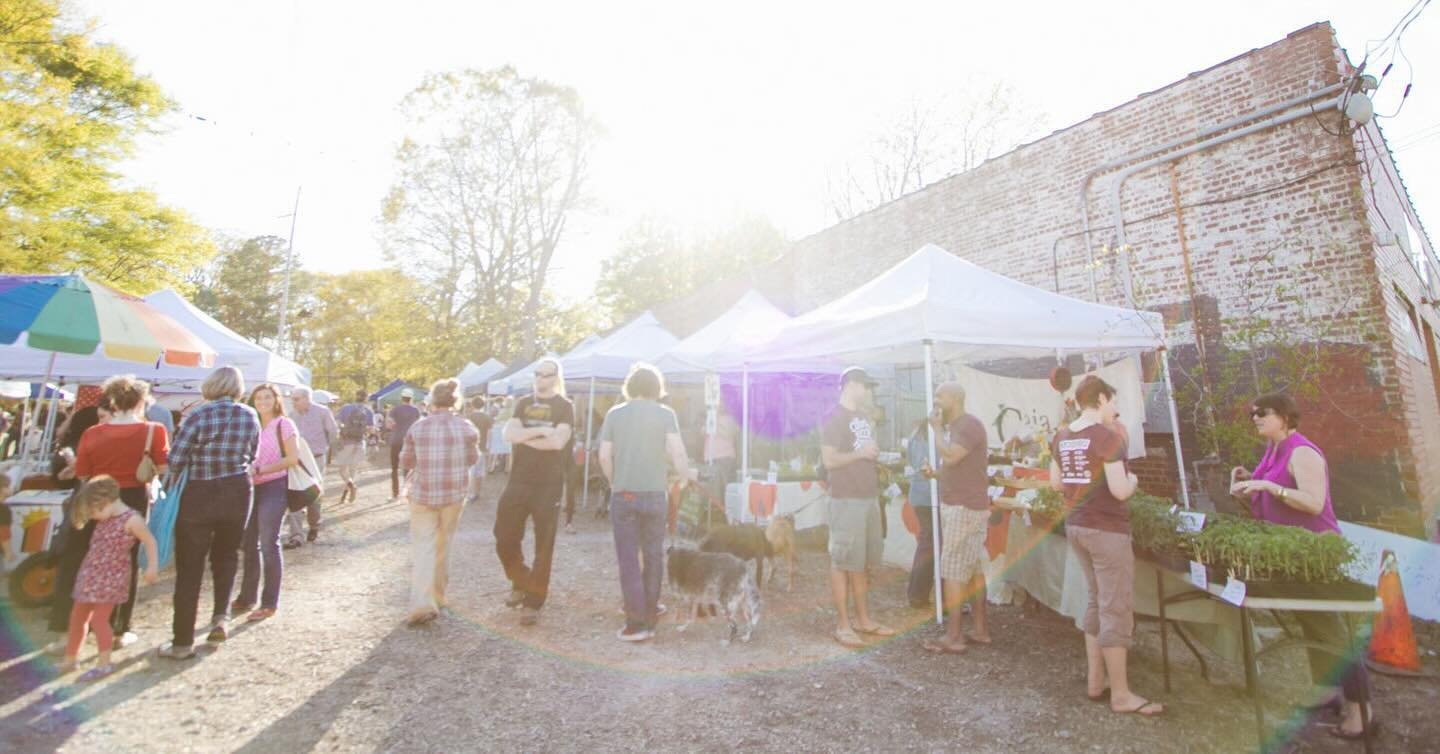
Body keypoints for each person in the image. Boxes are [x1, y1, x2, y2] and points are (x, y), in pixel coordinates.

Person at [1231, 393, 1374, 739]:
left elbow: (1313, 503)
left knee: (1331, 630)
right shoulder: (1273, 450)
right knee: (1311, 623)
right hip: (1290, 555)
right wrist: (1249, 483)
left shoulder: (1303, 451)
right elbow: (1276, 493)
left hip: (1315, 555)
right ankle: (1326, 688)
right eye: (1252, 414)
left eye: (1261, 413)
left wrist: (1267, 485)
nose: (1255, 418)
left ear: (1283, 416)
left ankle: (1361, 710)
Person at [1048, 376, 1162, 716]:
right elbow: (1120, 491)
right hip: (1107, 529)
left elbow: (1055, 482)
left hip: (1077, 525)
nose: (1115, 409)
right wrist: (1135, 479)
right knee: (1116, 607)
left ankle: (1096, 681)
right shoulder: (1107, 438)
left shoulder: (1063, 436)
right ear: (1099, 399)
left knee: (1097, 600)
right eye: (1112, 401)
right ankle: (1122, 695)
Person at [161, 365, 261, 658]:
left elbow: (176, 458)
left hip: (199, 493)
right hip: (237, 492)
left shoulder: (197, 415)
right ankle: (220, 617)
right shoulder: (249, 415)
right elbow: (253, 454)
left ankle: (181, 642)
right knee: (226, 557)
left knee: (190, 567)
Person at [71, 376, 169, 647]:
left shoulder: (92, 433)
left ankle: (89, 620)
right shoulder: (154, 430)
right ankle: (118, 628)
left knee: (95, 557)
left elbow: (82, 472)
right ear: (141, 401)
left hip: (98, 496)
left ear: (112, 401)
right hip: (134, 497)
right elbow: (162, 468)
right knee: (126, 561)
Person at [598, 363, 691, 642]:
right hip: (655, 494)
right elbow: (678, 452)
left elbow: (604, 456)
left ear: (630, 387)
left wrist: (615, 482)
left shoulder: (615, 414)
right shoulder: (666, 414)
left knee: (628, 557)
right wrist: (683, 479)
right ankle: (650, 610)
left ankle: (637, 622)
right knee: (653, 555)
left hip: (624, 494)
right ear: (656, 388)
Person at [495, 358, 574, 626]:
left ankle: (533, 602)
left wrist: (525, 436)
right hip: (518, 480)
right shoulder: (523, 402)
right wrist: (541, 430)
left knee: (544, 544)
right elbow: (508, 434)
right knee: (504, 535)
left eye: (547, 375)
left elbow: (558, 442)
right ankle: (521, 580)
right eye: (537, 374)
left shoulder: (565, 407)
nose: (540, 379)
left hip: (549, 483)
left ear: (556, 377)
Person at [820, 367, 895, 648]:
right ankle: (843, 625)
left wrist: (872, 454)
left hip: (867, 496)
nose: (868, 392)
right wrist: (861, 454)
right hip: (845, 498)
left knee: (861, 562)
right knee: (842, 561)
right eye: (865, 386)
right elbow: (828, 460)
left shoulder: (862, 417)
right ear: (851, 385)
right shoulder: (833, 417)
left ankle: (864, 620)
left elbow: (862, 452)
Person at [59, 476, 159, 681]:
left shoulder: (132, 520)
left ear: (105, 502)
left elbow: (150, 542)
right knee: (78, 615)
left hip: (112, 576)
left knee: (99, 620)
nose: (93, 517)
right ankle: (71, 658)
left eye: (94, 512)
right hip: (91, 572)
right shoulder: (106, 517)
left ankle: (104, 664)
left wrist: (152, 567)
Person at [400, 379, 479, 626]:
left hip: (423, 495)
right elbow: (472, 459)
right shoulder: (467, 428)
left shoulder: (418, 427)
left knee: (424, 547)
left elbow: (406, 461)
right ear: (455, 401)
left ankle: (422, 603)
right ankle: (439, 596)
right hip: (453, 496)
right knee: (444, 545)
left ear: (432, 400)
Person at [922, 383, 993, 654]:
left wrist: (937, 429)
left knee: (952, 569)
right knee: (972, 570)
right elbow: (958, 465)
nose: (936, 401)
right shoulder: (961, 427)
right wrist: (936, 474)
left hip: (963, 508)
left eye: (940, 396)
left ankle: (954, 637)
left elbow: (951, 457)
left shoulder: (968, 425)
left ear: (954, 398)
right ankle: (980, 630)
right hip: (966, 506)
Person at [232, 384, 299, 622]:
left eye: (267, 397)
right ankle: (247, 596)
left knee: (269, 542)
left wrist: (261, 469)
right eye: (258, 397)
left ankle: (269, 602)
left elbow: (292, 458)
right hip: (250, 487)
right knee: (249, 543)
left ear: (276, 400)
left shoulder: (284, 424)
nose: (262, 401)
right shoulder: (251, 424)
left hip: (274, 487)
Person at [284, 386, 337, 547]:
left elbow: (333, 432)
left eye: (296, 399)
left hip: (316, 458)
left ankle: (314, 525)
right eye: (292, 399)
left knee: (313, 495)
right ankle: (296, 536)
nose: (293, 402)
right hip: (297, 462)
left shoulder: (323, 412)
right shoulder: (291, 416)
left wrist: (326, 450)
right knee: (294, 494)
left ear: (307, 398)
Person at [905, 420, 938, 609]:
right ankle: (918, 594)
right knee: (931, 544)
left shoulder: (915, 434)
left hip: (919, 494)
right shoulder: (932, 436)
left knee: (927, 543)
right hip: (929, 495)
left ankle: (917, 593)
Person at [333, 390, 374, 504]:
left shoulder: (346, 408)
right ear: (366, 398)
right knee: (352, 470)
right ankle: (345, 495)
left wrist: (342, 429)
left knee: (342, 470)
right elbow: (371, 429)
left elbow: (337, 422)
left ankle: (351, 486)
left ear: (356, 396)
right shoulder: (369, 411)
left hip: (346, 442)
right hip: (360, 442)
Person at [387, 390, 422, 500]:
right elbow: (419, 425)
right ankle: (408, 493)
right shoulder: (416, 410)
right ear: (411, 398)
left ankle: (395, 493)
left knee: (394, 468)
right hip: (411, 441)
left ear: (402, 398)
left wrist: (395, 427)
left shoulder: (395, 410)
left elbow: (389, 425)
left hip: (396, 440)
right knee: (409, 467)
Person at [465, 396, 493, 505]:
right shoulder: (487, 417)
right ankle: (477, 492)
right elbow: (490, 433)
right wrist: (488, 446)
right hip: (483, 446)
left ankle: (470, 493)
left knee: (471, 471)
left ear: (472, 405)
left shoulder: (469, 417)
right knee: (480, 472)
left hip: (471, 447)